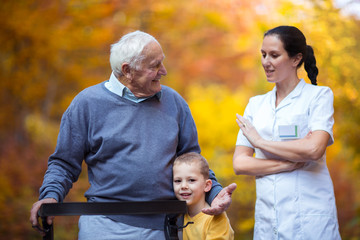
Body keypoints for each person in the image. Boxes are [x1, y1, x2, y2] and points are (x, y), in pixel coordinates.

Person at [29, 30, 237, 240]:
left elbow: (194, 162)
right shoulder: (87, 104)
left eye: (161, 63)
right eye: (154, 66)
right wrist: (50, 196)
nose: (163, 71)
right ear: (127, 70)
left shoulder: (175, 103)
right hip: (103, 226)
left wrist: (215, 192)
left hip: (165, 227)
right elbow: (64, 163)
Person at [233, 26, 341, 240]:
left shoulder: (318, 97)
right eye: (263, 54)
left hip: (310, 221)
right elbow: (241, 164)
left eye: (274, 55)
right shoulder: (255, 104)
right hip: (268, 221)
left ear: (295, 59)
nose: (266, 62)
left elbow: (314, 149)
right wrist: (287, 164)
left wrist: (260, 142)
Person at [173, 152, 234, 240]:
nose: (183, 186)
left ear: (207, 185)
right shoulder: (181, 216)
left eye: (191, 180)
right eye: (178, 181)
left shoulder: (216, 218)